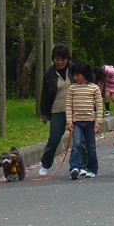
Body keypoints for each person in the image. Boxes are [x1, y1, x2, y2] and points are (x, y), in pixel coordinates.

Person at [38, 44, 74, 176]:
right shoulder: (49, 74)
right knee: (54, 138)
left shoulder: (74, 69)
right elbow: (45, 94)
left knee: (79, 138)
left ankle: (80, 165)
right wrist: (44, 114)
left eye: (63, 59)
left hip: (75, 109)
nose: (60, 62)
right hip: (57, 110)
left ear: (68, 59)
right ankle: (46, 164)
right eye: (57, 59)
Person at [66, 61, 103, 179]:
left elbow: (99, 105)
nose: (76, 77)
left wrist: (98, 121)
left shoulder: (94, 88)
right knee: (76, 144)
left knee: (91, 146)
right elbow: (68, 106)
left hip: (90, 122)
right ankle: (74, 167)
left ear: (85, 74)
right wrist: (69, 121)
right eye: (74, 75)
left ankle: (92, 168)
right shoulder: (72, 88)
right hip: (77, 122)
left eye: (78, 75)